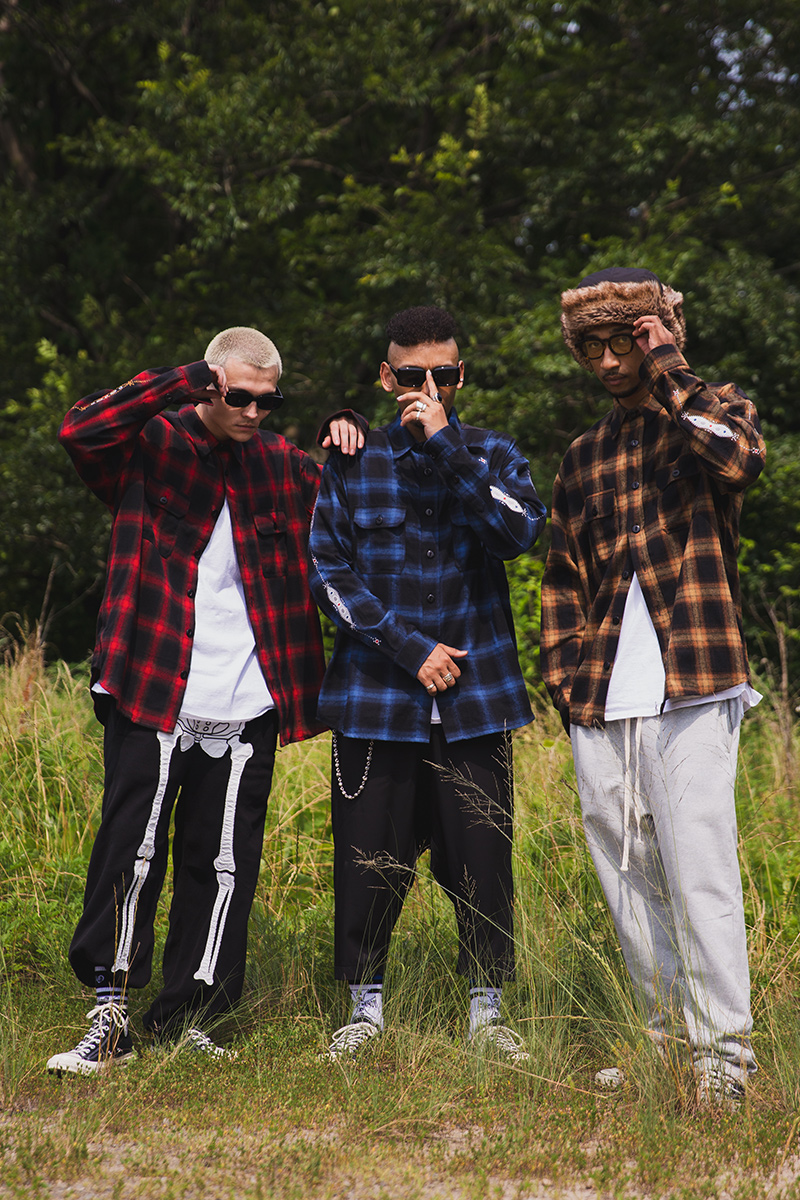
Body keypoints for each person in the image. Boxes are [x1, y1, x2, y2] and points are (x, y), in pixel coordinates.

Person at [48, 326, 362, 1074]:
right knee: (132, 852)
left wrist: (350, 435)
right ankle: (111, 1015)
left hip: (248, 699)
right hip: (155, 683)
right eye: (239, 396)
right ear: (211, 386)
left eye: (268, 400)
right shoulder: (150, 444)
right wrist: (183, 377)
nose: (254, 411)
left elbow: (351, 513)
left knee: (221, 865)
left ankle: (190, 1016)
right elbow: (80, 429)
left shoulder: (280, 464)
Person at [540, 267, 766, 1108]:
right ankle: (668, 1045)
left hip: (696, 682)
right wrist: (567, 684)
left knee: (699, 871)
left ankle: (726, 1057)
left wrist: (670, 365)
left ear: (655, 336)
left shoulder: (713, 411)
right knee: (627, 877)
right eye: (592, 347)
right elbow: (562, 578)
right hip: (602, 694)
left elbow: (738, 461)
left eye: (623, 341)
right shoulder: (584, 454)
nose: (608, 361)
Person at [308, 305, 546, 1061]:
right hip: (376, 700)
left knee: (483, 863)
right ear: (387, 378)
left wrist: (445, 445)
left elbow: (518, 533)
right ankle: (363, 1009)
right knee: (367, 862)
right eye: (412, 375)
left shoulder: (493, 453)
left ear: (460, 375)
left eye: (442, 374)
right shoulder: (352, 458)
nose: (428, 386)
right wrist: (409, 650)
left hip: (476, 703)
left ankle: (488, 1012)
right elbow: (327, 572)